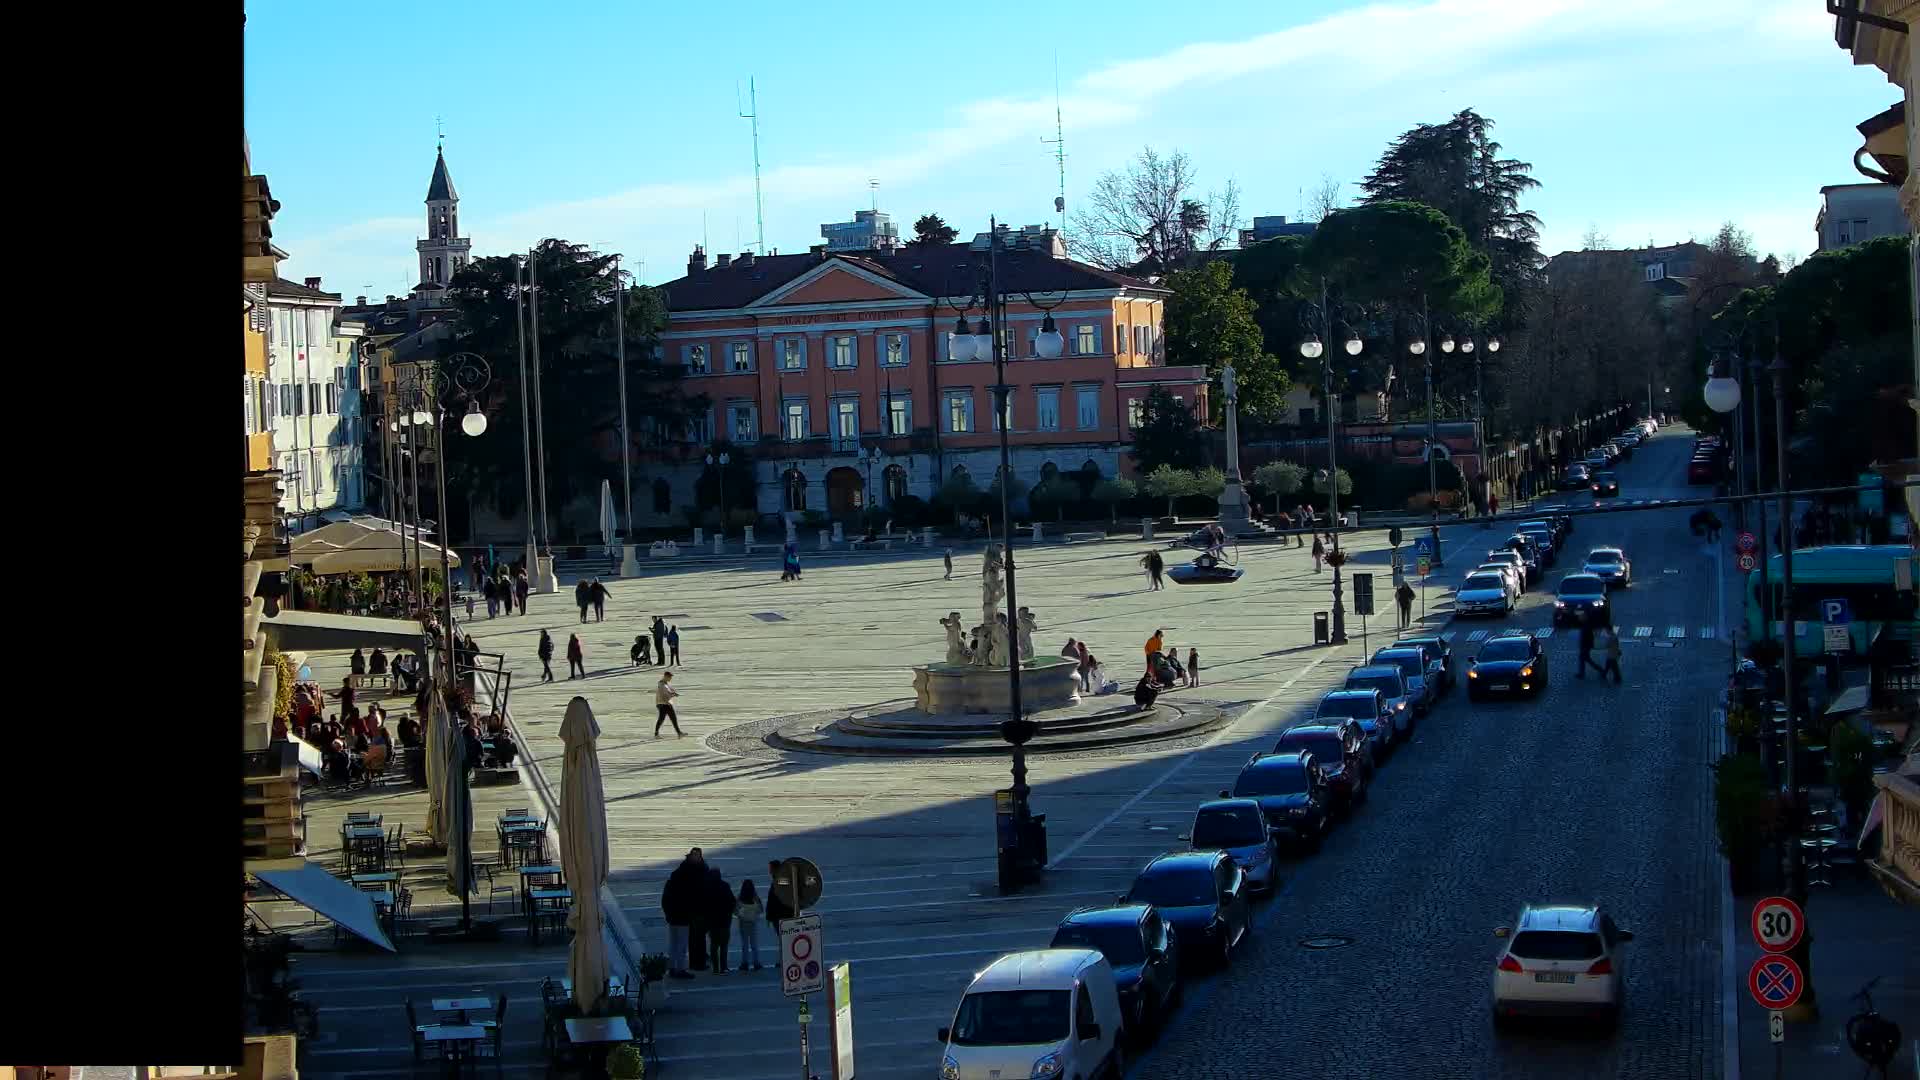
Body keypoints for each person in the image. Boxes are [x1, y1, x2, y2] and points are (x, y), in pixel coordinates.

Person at [661, 849, 704, 979]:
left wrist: (667, 913)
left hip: (673, 917)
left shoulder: (673, 879)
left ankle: (672, 968)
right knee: (682, 944)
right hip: (683, 917)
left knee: (673, 943)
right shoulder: (690, 878)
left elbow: (665, 899)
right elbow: (693, 897)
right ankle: (680, 969)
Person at [704, 867, 738, 975]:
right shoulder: (725, 886)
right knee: (724, 945)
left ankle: (715, 968)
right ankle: (723, 967)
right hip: (724, 920)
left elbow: (704, 905)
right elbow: (732, 902)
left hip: (712, 921)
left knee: (714, 945)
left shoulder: (707, 887)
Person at [736, 879, 766, 971]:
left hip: (743, 922)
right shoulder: (755, 897)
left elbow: (735, 910)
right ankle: (756, 963)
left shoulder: (740, 897)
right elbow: (761, 910)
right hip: (753, 922)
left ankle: (745, 963)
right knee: (754, 944)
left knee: (744, 944)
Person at [764, 859, 793, 932]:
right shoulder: (779, 879)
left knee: (784, 937)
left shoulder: (780, 880)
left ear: (775, 869)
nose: (769, 870)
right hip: (783, 915)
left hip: (781, 915)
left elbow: (773, 900)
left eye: (770, 868)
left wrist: (769, 916)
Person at [655, 671, 683, 736]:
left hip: (665, 703)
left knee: (670, 718)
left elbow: (669, 692)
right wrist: (668, 700)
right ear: (665, 676)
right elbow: (663, 694)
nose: (670, 678)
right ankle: (656, 733)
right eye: (669, 677)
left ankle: (679, 732)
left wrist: (673, 693)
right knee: (664, 718)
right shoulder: (661, 684)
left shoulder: (666, 684)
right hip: (663, 703)